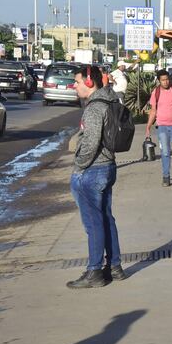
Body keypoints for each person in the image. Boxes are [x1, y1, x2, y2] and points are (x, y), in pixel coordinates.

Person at [66, 66, 126, 289]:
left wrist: (79, 166)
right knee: (106, 218)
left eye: (78, 82)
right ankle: (115, 266)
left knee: (94, 223)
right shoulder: (110, 100)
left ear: (90, 82)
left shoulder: (93, 108)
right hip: (108, 166)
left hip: (93, 170)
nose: (75, 86)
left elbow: (90, 143)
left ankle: (94, 272)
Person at [145, 69, 172, 187]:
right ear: (159, 81)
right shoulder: (156, 92)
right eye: (163, 80)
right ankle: (166, 177)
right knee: (165, 152)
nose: (166, 82)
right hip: (162, 127)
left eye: (167, 79)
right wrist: (148, 126)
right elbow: (153, 111)